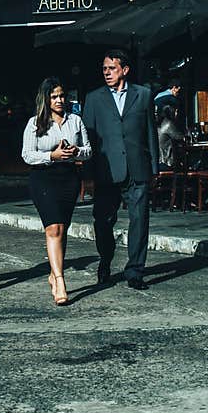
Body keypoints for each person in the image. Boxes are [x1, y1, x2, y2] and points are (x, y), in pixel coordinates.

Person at [82, 49, 159, 291]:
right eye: (104, 68)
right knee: (103, 222)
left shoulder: (144, 95)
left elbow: (150, 133)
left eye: (111, 68)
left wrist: (154, 169)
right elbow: (88, 139)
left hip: (137, 169)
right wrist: (87, 175)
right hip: (105, 171)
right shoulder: (94, 99)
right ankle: (105, 260)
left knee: (139, 221)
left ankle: (135, 271)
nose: (106, 73)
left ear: (125, 70)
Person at [21, 77, 91, 306]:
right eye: (54, 97)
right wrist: (52, 155)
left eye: (62, 96)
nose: (59, 100)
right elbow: (27, 155)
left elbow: (89, 151)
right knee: (52, 228)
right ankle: (60, 280)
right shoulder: (35, 123)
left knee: (62, 228)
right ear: (46, 99)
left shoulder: (75, 121)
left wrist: (75, 151)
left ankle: (54, 271)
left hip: (68, 178)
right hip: (43, 178)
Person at [155, 104, 185, 172]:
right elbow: (182, 138)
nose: (177, 113)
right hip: (166, 163)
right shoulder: (168, 124)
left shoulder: (155, 123)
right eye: (176, 111)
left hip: (156, 163)